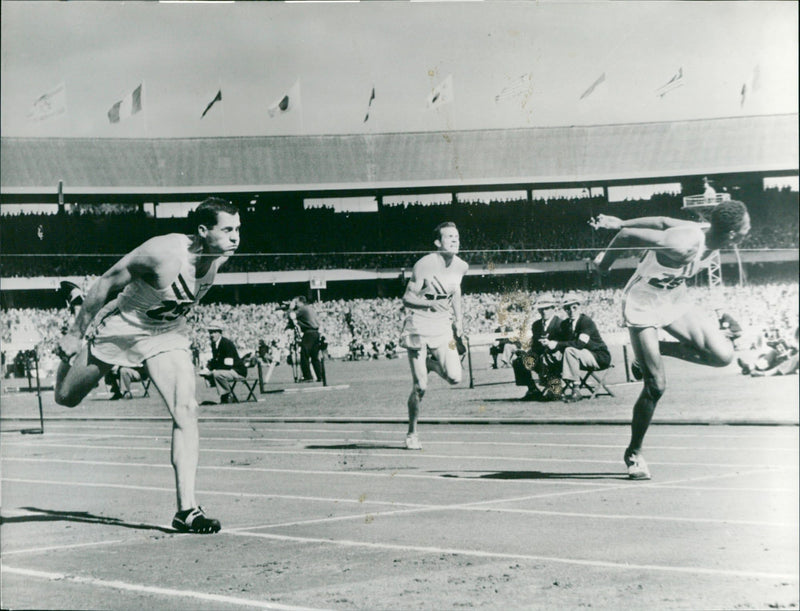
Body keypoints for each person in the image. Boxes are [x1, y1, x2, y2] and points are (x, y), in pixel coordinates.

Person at [54, 197, 241, 533]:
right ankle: (76, 303)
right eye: (227, 229)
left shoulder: (220, 258)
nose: (235, 237)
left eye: (238, 229)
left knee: (186, 408)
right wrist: (75, 333)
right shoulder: (163, 252)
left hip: (166, 334)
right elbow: (108, 281)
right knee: (65, 396)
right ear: (202, 230)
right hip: (122, 326)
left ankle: (187, 510)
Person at [590, 199, 751, 480]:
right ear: (733, 234)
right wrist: (604, 264)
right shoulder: (684, 244)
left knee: (723, 356)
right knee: (656, 386)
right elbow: (628, 237)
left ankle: (653, 352)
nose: (750, 231)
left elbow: (663, 220)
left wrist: (622, 220)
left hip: (674, 300)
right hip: (643, 303)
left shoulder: (708, 235)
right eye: (746, 227)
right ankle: (634, 453)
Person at [399, 221, 468, 450]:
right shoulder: (425, 265)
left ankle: (430, 363)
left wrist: (458, 320)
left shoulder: (461, 266)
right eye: (449, 237)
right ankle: (412, 432)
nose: (455, 240)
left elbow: (456, 291)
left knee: (455, 378)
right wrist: (428, 306)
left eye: (457, 236)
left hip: (442, 327)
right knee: (420, 386)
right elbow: (407, 298)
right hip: (418, 325)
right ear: (438, 242)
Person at [546, 291, 611, 403]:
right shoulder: (565, 324)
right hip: (581, 356)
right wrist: (551, 345)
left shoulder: (586, 321)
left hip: (599, 356)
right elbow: (562, 342)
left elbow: (579, 344)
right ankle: (555, 388)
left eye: (574, 307)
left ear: (579, 307)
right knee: (551, 353)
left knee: (570, 350)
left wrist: (557, 344)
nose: (571, 311)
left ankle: (576, 389)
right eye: (567, 308)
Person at [511, 292, 564, 401]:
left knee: (554, 395)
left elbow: (564, 344)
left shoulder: (561, 324)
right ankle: (532, 389)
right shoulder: (536, 325)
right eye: (541, 309)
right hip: (540, 358)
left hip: (555, 360)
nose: (544, 311)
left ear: (553, 308)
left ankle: (555, 388)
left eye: (547, 308)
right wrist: (524, 351)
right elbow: (535, 346)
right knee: (519, 361)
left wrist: (551, 346)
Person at [199, 320, 247, 403]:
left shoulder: (226, 343)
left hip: (237, 371)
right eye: (210, 332)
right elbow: (215, 360)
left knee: (216, 374)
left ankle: (228, 395)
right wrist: (207, 369)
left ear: (220, 332)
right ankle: (225, 395)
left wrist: (214, 371)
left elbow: (228, 364)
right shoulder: (214, 344)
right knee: (208, 375)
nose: (212, 335)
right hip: (229, 370)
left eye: (214, 332)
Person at [288, 296, 324, 383]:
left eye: (297, 302)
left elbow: (292, 316)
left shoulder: (303, 309)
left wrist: (290, 308)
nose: (296, 304)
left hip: (309, 333)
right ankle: (320, 376)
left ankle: (308, 376)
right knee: (314, 356)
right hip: (315, 332)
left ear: (301, 302)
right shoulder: (310, 308)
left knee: (304, 354)